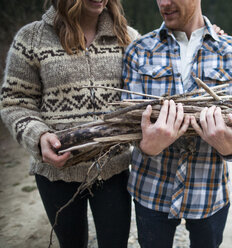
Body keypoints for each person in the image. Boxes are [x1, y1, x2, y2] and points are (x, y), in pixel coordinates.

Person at [0, 0, 141, 247]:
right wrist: (38, 136)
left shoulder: (126, 37)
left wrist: (202, 34)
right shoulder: (31, 38)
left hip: (113, 169)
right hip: (56, 174)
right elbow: (15, 101)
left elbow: (164, 59)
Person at [121, 0, 232, 247]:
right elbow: (127, 125)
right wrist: (146, 146)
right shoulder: (138, 50)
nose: (163, 3)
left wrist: (231, 147)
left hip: (209, 191)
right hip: (151, 189)